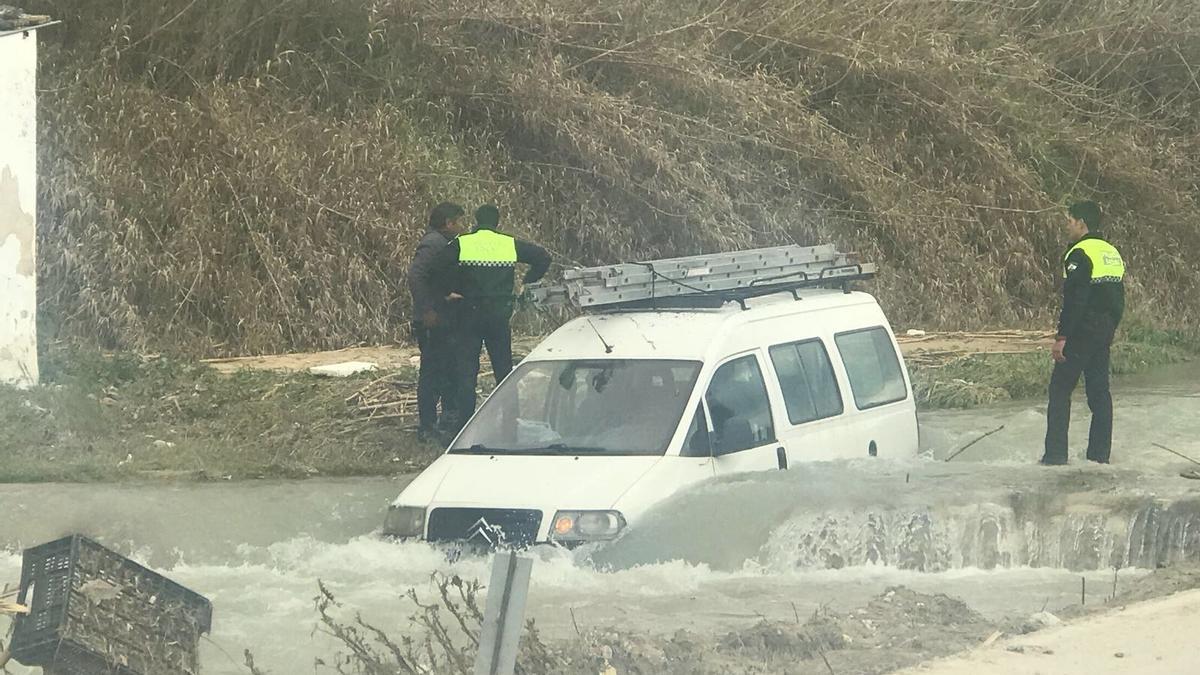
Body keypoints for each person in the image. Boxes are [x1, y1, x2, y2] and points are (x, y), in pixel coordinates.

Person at [433, 204, 551, 423]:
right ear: (497, 222)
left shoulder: (462, 243)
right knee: (504, 371)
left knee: (467, 373)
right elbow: (543, 257)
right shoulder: (509, 244)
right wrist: (527, 282)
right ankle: (510, 424)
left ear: (476, 221)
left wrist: (448, 291)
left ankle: (465, 424)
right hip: (499, 315)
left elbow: (436, 267)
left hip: (468, 315)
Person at [1041, 200, 1125, 466]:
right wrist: (1110, 328)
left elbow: (1075, 300)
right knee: (1099, 392)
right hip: (1105, 329)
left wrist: (1062, 337)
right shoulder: (1111, 252)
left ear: (1081, 223)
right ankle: (1099, 457)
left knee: (1060, 389)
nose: (1067, 225)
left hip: (1082, 330)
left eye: (1070, 220)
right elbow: (1118, 299)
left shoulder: (1079, 253)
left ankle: (1055, 456)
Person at [408, 202, 467, 438]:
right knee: (432, 372)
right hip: (434, 320)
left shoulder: (443, 243)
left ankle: (444, 420)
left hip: (443, 317)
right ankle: (427, 425)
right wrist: (428, 310)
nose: (460, 227)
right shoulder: (433, 244)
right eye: (458, 222)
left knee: (446, 369)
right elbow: (416, 276)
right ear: (448, 223)